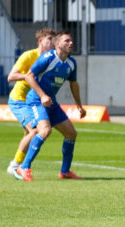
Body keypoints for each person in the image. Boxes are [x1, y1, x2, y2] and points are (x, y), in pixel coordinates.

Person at [15, 31, 86, 181]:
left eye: (71, 41)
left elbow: (74, 84)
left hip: (51, 102)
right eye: (67, 41)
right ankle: (24, 167)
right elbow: (29, 76)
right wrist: (42, 95)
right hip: (36, 100)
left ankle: (65, 171)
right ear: (58, 44)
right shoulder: (47, 58)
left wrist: (79, 106)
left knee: (71, 134)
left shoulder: (71, 63)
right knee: (45, 130)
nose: (71, 43)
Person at [5, 27, 55, 179]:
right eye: (50, 39)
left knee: (30, 133)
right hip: (19, 100)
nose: (53, 42)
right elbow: (11, 77)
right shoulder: (29, 56)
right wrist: (28, 76)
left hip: (32, 102)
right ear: (41, 41)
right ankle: (15, 165)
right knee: (35, 131)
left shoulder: (50, 59)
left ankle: (19, 165)